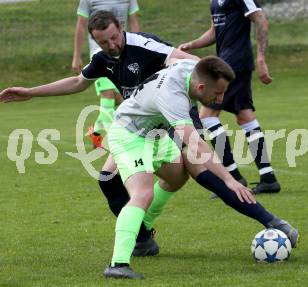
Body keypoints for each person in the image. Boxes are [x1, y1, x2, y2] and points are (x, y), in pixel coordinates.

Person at [0, 10, 199, 256]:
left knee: (179, 174)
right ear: (96, 40)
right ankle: (143, 237)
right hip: (135, 128)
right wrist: (31, 92)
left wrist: (184, 83)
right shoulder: (102, 58)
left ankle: (141, 233)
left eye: (115, 37)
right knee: (113, 179)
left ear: (121, 27)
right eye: (104, 42)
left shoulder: (144, 45)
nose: (112, 45)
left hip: (164, 122)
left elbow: (193, 63)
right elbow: (76, 83)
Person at [101, 56, 298, 279]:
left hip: (156, 135)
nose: (221, 99)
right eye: (217, 94)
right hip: (129, 135)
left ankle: (142, 230)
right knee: (142, 193)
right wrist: (229, 178)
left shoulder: (192, 69)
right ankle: (118, 264)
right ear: (201, 87)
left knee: (177, 177)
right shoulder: (172, 97)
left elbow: (175, 58)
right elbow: (196, 143)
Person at [179, 0, 281, 194]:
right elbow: (214, 31)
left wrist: (261, 58)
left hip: (233, 63)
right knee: (244, 116)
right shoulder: (215, 2)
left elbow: (261, 20)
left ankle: (234, 177)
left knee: (207, 116)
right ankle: (268, 178)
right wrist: (192, 44)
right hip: (230, 61)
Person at [71, 0, 141, 148]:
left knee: (121, 100)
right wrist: (76, 56)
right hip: (100, 56)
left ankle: (95, 131)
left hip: (123, 53)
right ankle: (115, 142)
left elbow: (134, 21)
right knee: (108, 95)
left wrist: (136, 49)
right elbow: (81, 25)